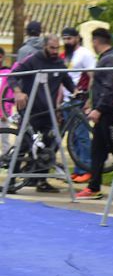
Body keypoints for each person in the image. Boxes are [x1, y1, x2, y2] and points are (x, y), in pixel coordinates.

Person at [8, 34, 77, 192]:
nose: (54, 51)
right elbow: (13, 76)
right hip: (30, 110)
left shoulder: (59, 62)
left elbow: (66, 80)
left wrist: (76, 91)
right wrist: (18, 92)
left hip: (49, 112)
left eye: (57, 48)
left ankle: (41, 181)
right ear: (44, 46)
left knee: (50, 146)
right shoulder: (33, 60)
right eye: (52, 48)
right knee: (24, 145)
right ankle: (11, 181)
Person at [77, 28, 113, 200]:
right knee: (97, 150)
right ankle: (94, 186)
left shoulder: (111, 59)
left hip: (110, 112)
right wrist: (92, 102)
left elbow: (111, 86)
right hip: (104, 111)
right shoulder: (108, 58)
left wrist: (99, 108)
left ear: (96, 41)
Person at [61, 27, 96, 183]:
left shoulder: (85, 54)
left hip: (80, 99)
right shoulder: (67, 56)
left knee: (82, 135)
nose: (67, 41)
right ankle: (78, 168)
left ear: (77, 38)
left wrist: (89, 99)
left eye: (69, 38)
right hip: (67, 101)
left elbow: (92, 77)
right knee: (73, 137)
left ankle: (87, 168)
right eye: (65, 38)